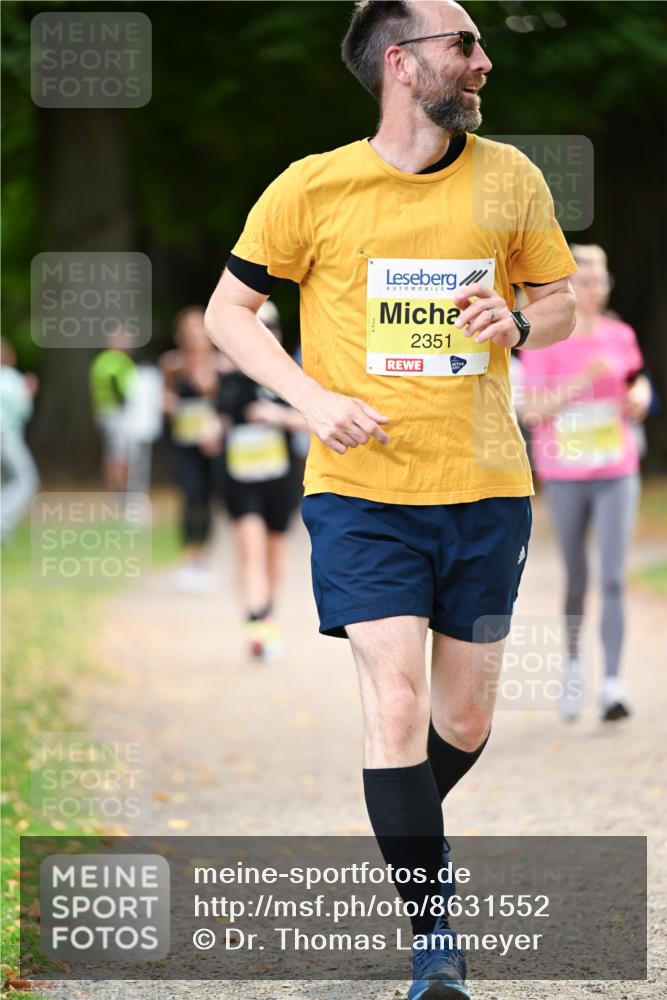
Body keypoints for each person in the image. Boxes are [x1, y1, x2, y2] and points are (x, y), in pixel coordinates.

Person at [205, 2, 576, 996]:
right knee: (398, 703)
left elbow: (559, 294)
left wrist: (523, 319)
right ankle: (434, 943)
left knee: (460, 719)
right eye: (466, 44)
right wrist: (313, 399)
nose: (485, 61)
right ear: (402, 64)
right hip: (361, 491)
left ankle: (399, 817)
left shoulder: (510, 178)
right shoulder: (312, 187)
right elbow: (227, 311)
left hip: (488, 483)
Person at [518, 244, 651, 723]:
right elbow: (531, 411)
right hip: (566, 470)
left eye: (600, 279)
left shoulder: (621, 334)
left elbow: (638, 380)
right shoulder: (545, 340)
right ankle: (573, 666)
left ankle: (613, 683)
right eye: (586, 280)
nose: (595, 287)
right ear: (570, 288)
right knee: (577, 577)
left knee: (614, 576)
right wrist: (582, 382)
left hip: (617, 469)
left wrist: (641, 393)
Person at [217, 300, 307, 661]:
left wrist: (277, 416)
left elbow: (316, 418)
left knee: (276, 554)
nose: (265, 332)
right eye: (257, 325)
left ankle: (267, 615)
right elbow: (216, 417)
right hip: (241, 477)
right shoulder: (228, 374)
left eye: (271, 326)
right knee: (249, 549)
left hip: (280, 477)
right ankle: (257, 621)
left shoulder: (291, 375)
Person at [160, 306, 230, 593]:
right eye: (189, 331)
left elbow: (228, 405)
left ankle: (204, 561)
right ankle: (188, 560)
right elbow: (166, 399)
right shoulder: (172, 365)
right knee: (190, 497)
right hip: (184, 442)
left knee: (209, 499)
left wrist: (218, 429)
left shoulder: (222, 364)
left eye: (199, 330)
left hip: (212, 444)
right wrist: (169, 405)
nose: (195, 337)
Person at [90, 327, 138, 492]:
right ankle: (119, 491)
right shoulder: (116, 361)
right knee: (119, 455)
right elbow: (122, 389)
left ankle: (116, 489)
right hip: (117, 415)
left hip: (105, 414)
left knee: (113, 453)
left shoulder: (101, 360)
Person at [0, 338, 39, 544]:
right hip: (8, 438)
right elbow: (23, 411)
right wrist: (29, 393)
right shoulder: (12, 379)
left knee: (5, 482)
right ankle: (2, 521)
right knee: (27, 481)